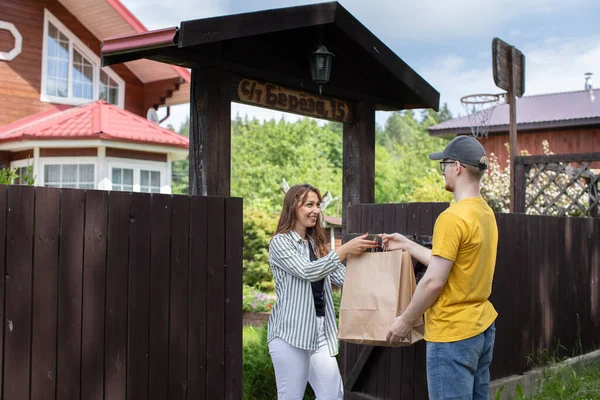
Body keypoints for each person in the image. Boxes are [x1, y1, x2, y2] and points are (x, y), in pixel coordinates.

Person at [381, 135, 499, 400]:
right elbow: (452, 263)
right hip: (481, 329)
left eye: (444, 164)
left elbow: (434, 281)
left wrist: (405, 321)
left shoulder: (452, 217)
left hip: (452, 334)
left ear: (456, 167)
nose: (442, 171)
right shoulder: (485, 213)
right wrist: (408, 245)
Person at [268, 183, 378, 400]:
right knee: (291, 396)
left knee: (332, 395)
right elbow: (307, 271)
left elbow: (344, 278)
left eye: (318, 205)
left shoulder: (315, 245)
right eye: (309, 204)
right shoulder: (280, 243)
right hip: (291, 334)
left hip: (319, 334)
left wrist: (378, 265)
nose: (316, 210)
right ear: (293, 208)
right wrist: (344, 250)